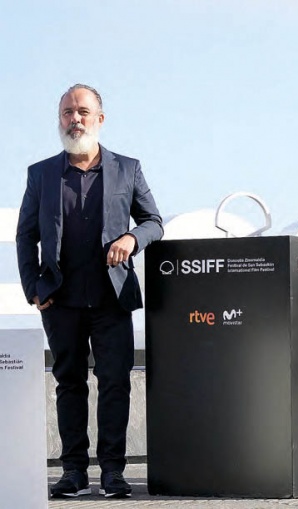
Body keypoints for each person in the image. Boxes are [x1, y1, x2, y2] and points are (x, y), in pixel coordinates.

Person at [16, 84, 163, 499]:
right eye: (67, 112)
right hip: (59, 300)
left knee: (115, 383)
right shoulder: (41, 174)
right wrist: (33, 288)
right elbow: (25, 235)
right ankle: (74, 473)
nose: (74, 119)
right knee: (69, 383)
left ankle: (113, 472)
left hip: (111, 298)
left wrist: (132, 238)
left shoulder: (128, 169)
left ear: (100, 118)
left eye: (82, 111)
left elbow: (153, 222)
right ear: (59, 120)